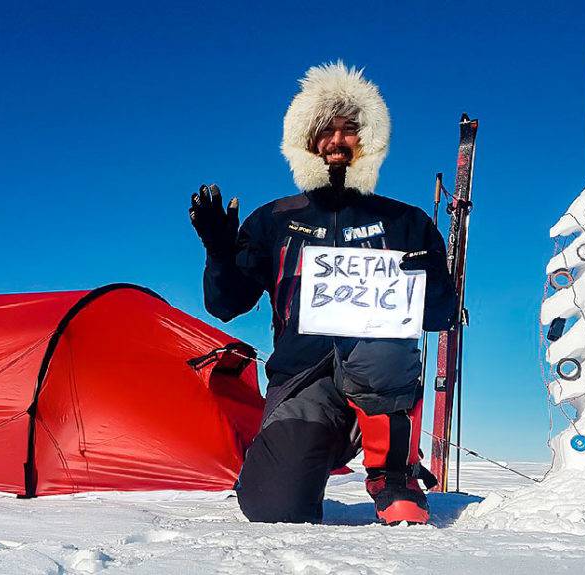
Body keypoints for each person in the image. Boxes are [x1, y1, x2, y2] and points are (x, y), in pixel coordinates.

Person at [189, 61, 456, 525]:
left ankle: (392, 474)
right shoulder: (274, 220)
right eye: (324, 129)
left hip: (382, 387)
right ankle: (285, 463)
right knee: (275, 510)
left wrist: (428, 276)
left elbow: (441, 315)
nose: (336, 140)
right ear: (306, 140)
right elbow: (226, 305)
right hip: (302, 381)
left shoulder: (406, 221)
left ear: (368, 137)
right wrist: (218, 252)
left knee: (380, 349)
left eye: (349, 129)